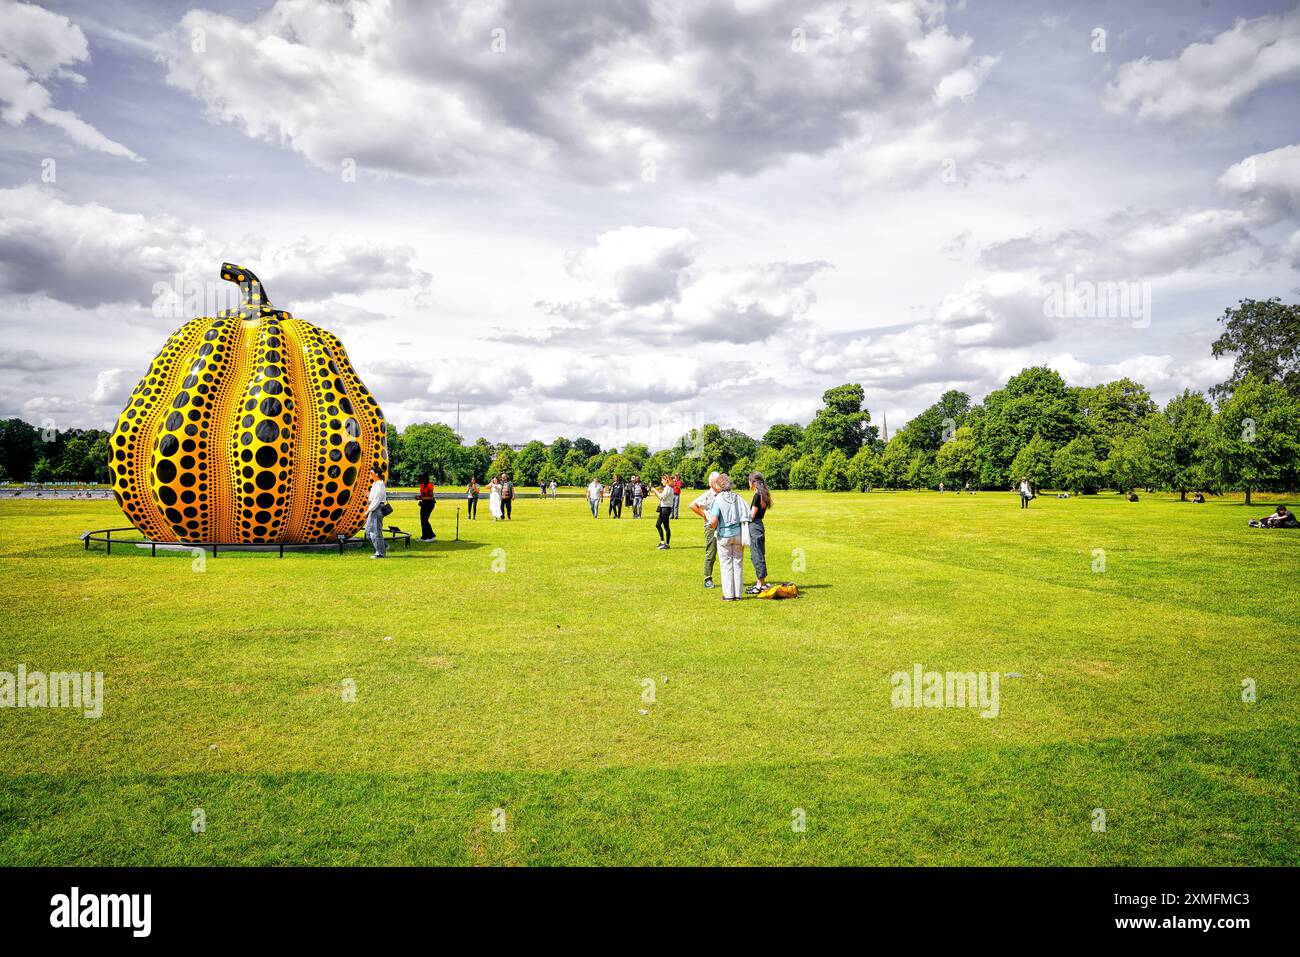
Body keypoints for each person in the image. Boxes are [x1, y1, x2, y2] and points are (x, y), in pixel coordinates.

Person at [708, 473, 748, 600]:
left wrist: (712, 527)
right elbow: (747, 512)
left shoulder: (718, 499)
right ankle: (738, 594)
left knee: (726, 565)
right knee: (738, 564)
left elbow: (714, 520)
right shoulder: (737, 497)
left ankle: (729, 595)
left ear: (719, 486)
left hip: (724, 536)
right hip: (738, 535)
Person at [689, 471, 721, 588]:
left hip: (722, 525)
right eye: (718, 481)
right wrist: (704, 515)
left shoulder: (723, 494)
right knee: (711, 552)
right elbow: (692, 505)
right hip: (711, 526)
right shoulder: (708, 494)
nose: (720, 484)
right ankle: (708, 578)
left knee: (724, 552)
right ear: (712, 483)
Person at [746, 472, 772, 594]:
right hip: (759, 525)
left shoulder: (757, 496)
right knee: (758, 554)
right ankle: (761, 582)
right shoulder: (763, 494)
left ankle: (760, 584)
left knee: (756, 555)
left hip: (755, 526)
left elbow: (752, 515)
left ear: (753, 482)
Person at [365, 465, 387, 558]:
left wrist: (367, 511)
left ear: (376, 474)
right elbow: (373, 498)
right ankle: (383, 546)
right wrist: (368, 495)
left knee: (376, 531)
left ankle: (380, 553)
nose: (369, 474)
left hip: (376, 509)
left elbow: (377, 500)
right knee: (368, 531)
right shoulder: (375, 484)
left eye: (371, 473)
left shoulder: (379, 485)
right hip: (374, 508)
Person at [652, 474, 675, 548]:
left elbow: (662, 497)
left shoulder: (668, 488)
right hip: (663, 508)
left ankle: (667, 544)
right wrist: (656, 493)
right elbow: (661, 497)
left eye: (662, 480)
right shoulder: (667, 488)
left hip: (666, 508)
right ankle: (662, 542)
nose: (661, 482)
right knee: (658, 525)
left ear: (666, 480)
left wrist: (655, 490)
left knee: (666, 526)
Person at [417, 474, 437, 542]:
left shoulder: (429, 485)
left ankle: (432, 536)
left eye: (420, 479)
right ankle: (424, 536)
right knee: (422, 520)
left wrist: (421, 498)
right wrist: (419, 497)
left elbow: (431, 497)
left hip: (430, 504)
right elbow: (423, 494)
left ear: (424, 479)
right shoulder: (422, 485)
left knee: (425, 520)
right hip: (424, 504)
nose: (419, 481)